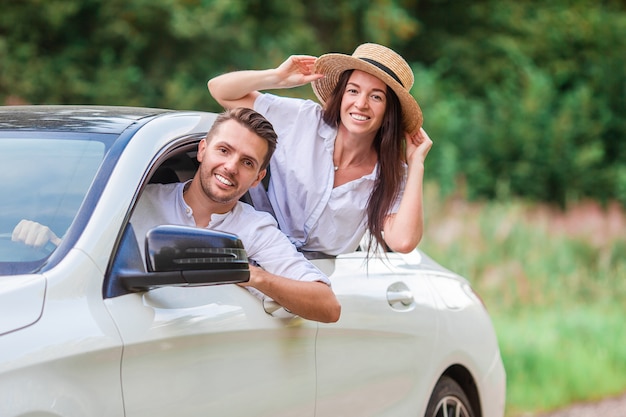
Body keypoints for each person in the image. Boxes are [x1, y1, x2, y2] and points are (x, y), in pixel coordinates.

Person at [13, 108, 341, 324]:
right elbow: (82, 256)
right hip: (113, 326)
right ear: (202, 150)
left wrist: (250, 275)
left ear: (257, 178)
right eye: (224, 151)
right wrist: (43, 238)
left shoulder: (255, 229)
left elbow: (327, 306)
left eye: (247, 162)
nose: (231, 167)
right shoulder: (134, 201)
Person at [207, 43, 433, 258]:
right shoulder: (304, 119)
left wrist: (416, 164)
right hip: (247, 249)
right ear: (342, 95)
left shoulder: (390, 175)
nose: (361, 104)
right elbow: (219, 90)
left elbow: (402, 242)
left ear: (389, 111)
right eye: (353, 91)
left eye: (376, 97)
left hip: (315, 280)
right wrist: (276, 77)